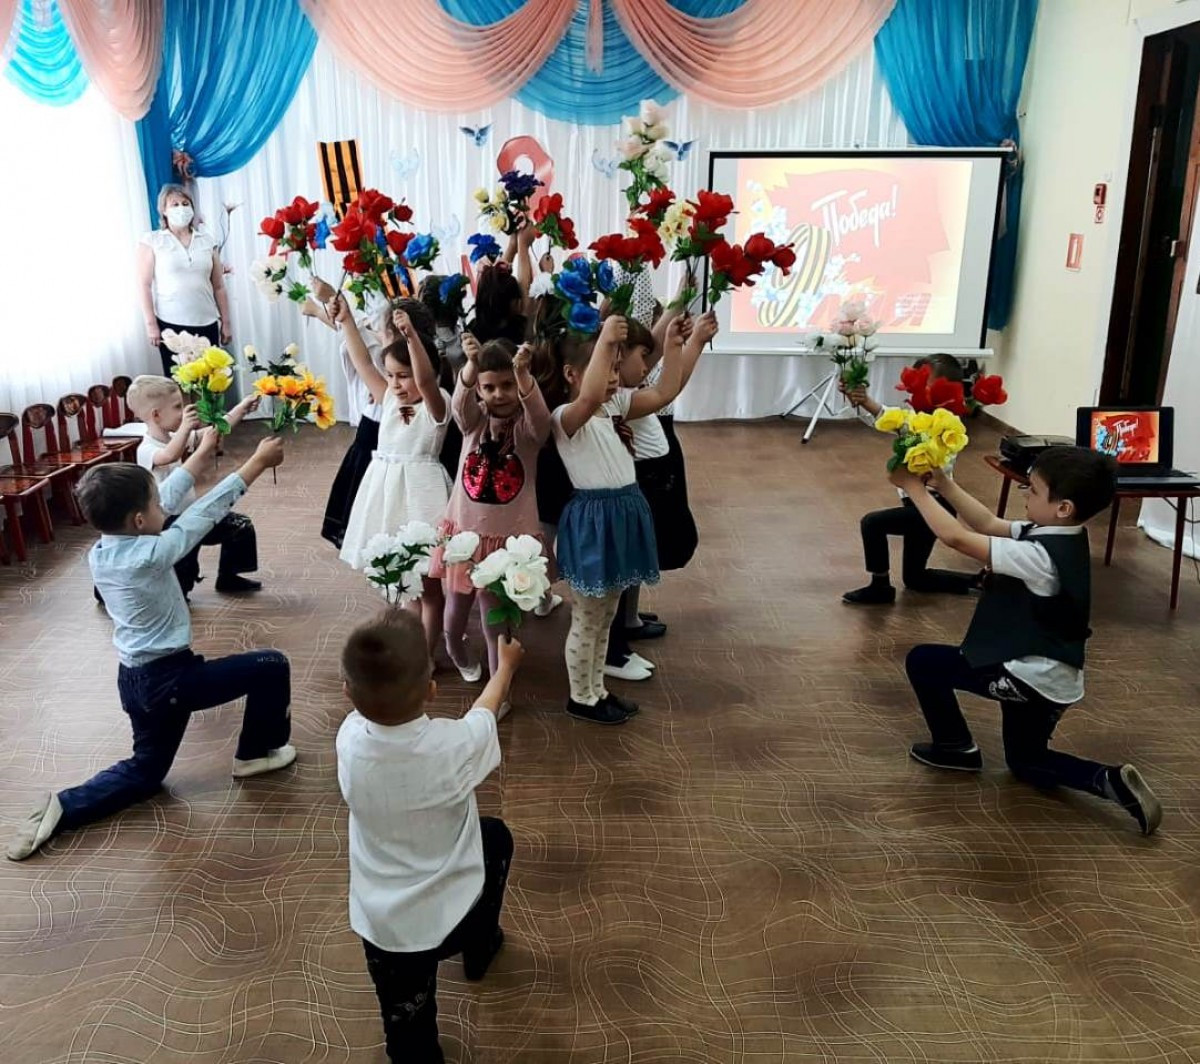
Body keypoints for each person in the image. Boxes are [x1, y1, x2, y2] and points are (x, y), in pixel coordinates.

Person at [6, 434, 293, 862]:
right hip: (171, 679)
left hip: (135, 681)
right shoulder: (152, 555)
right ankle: (253, 754)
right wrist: (255, 463)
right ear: (140, 521)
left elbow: (172, 494)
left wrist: (200, 452)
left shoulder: (100, 553)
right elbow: (203, 513)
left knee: (145, 773)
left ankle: (63, 806)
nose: (165, 508)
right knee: (272, 664)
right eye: (156, 506)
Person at [895, 446, 1162, 835]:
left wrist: (914, 491)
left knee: (924, 661)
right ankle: (1109, 780)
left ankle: (954, 746)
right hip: (1055, 679)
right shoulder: (1060, 535)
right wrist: (946, 486)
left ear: (1063, 507)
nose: (1025, 496)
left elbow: (955, 537)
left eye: (1032, 491)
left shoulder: (1038, 555)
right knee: (1026, 761)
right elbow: (985, 521)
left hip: (1024, 674)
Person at [337, 610, 521, 1062]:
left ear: (348, 693)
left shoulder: (348, 738)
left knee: (408, 1032)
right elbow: (485, 712)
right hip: (459, 908)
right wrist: (507, 667)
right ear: (432, 689)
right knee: (495, 838)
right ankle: (480, 947)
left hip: (387, 929)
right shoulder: (451, 745)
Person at [551, 314, 686, 725]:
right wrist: (608, 337)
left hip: (621, 514)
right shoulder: (566, 416)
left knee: (606, 616)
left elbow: (664, 392)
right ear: (572, 374)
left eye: (614, 367)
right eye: (605, 366)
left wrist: (679, 346)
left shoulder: (613, 406)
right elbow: (589, 396)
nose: (612, 376)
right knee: (589, 616)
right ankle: (581, 697)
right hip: (595, 522)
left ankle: (596, 690)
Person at [429, 334, 552, 697]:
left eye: (506, 386)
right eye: (489, 387)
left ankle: (499, 689)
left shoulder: (527, 432)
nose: (498, 394)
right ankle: (460, 656)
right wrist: (468, 366)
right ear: (479, 390)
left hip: (506, 545)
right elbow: (459, 405)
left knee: (493, 620)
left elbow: (541, 418)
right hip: (465, 537)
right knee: (454, 617)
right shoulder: (472, 423)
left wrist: (524, 374)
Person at [335, 297, 452, 657]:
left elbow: (426, 380)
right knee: (403, 585)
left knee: (430, 586)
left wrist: (410, 336)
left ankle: (427, 656)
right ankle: (409, 650)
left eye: (404, 376)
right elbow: (362, 361)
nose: (398, 384)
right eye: (392, 376)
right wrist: (346, 320)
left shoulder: (438, 403)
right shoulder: (387, 398)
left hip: (423, 496)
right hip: (387, 495)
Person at [604, 312, 715, 681]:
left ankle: (624, 633)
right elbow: (669, 388)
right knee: (626, 568)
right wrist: (681, 344)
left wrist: (691, 342)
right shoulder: (619, 398)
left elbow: (671, 383)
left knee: (635, 565)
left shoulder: (628, 390)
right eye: (642, 357)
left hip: (653, 478)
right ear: (619, 361)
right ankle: (614, 651)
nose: (647, 364)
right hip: (643, 481)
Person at [841, 354, 978, 605]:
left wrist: (910, 452)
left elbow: (935, 462)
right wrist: (862, 399)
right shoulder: (918, 416)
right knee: (916, 578)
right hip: (916, 505)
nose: (918, 389)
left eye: (926, 384)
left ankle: (880, 586)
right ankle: (978, 582)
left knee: (873, 523)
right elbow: (888, 416)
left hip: (934, 506)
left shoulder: (948, 424)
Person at [127, 374, 262, 596]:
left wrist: (241, 408)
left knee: (240, 526)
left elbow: (214, 430)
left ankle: (229, 577)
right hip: (167, 525)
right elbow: (170, 455)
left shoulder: (174, 436)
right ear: (156, 415)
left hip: (191, 514)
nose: (185, 411)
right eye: (178, 406)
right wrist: (187, 429)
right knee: (182, 576)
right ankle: (176, 594)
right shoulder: (146, 448)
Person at [137, 184, 233, 377]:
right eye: (174, 205)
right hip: (171, 325)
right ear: (163, 210)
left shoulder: (207, 240)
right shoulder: (153, 241)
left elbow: (219, 286)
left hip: (207, 322)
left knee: (210, 384)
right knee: (181, 385)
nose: (181, 208)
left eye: (185, 203)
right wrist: (151, 325)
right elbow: (144, 285)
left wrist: (226, 322)